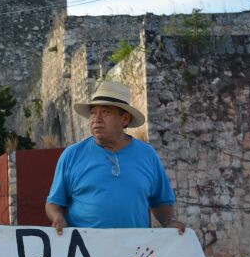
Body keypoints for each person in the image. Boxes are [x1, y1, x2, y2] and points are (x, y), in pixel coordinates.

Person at [45, 81, 185, 235]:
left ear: (124, 119)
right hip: (84, 247)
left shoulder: (147, 155)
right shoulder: (72, 155)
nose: (96, 119)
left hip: (134, 247)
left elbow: (161, 201)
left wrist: (169, 221)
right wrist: (57, 217)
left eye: (105, 112)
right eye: (93, 112)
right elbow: (54, 203)